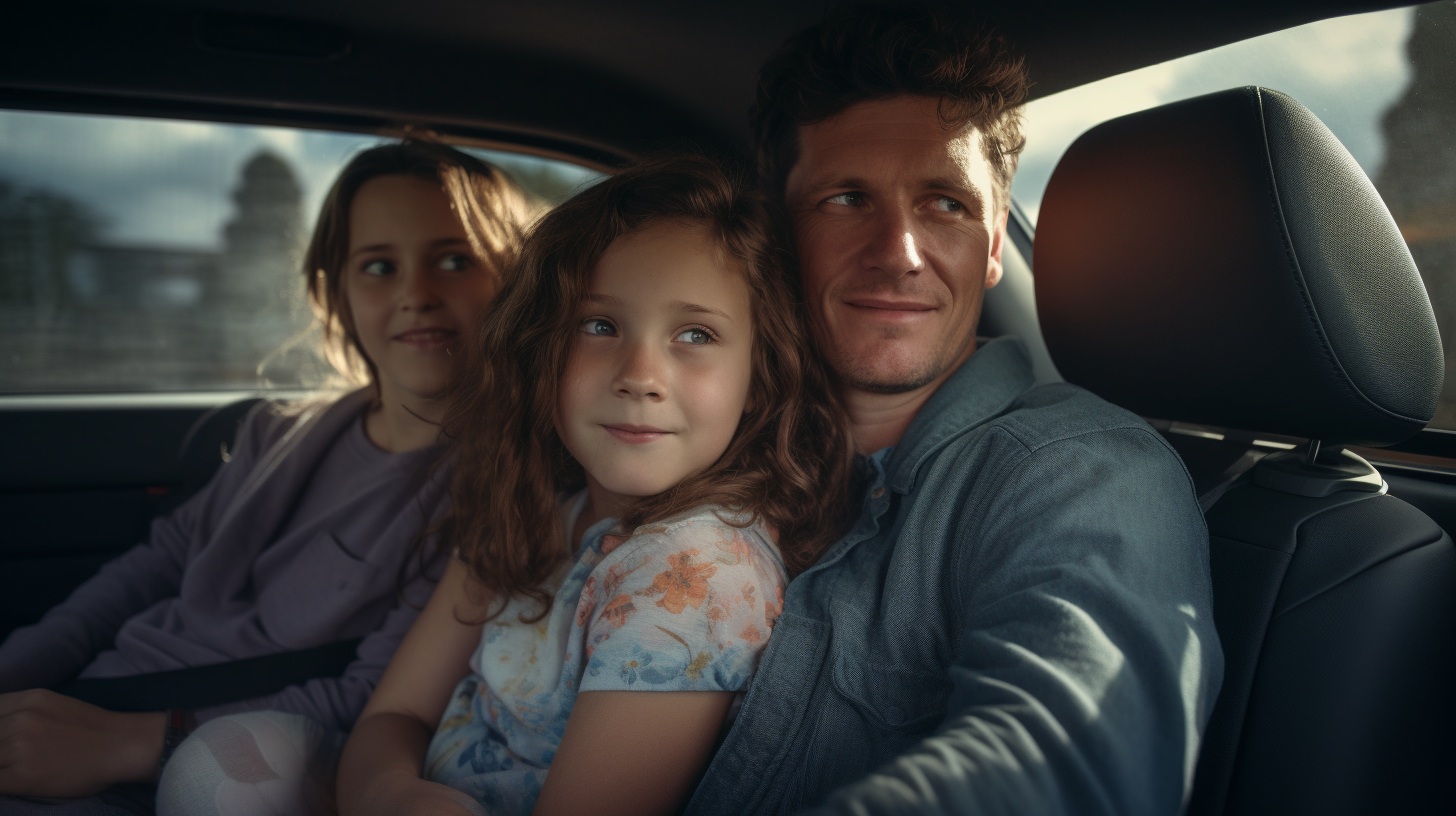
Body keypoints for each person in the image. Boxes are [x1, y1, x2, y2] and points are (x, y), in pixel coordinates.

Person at [681, 7, 1224, 816]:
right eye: (845, 199)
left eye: (944, 203)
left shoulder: (1082, 470)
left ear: (995, 240)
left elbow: (1065, 765)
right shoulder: (692, 441)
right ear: (780, 236)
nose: (898, 251)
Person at [0, 140, 536, 815]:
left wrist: (135, 742)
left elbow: (371, 696)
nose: (416, 295)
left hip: (214, 762)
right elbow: (154, 565)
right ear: (334, 292)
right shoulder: (280, 433)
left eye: (455, 261)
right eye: (377, 266)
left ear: (516, 280)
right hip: (97, 701)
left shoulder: (497, 490)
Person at [334, 154, 856, 816]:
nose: (640, 375)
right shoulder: (541, 512)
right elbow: (397, 713)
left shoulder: (695, 575)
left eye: (695, 334)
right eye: (600, 325)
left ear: (758, 381)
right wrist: (391, 793)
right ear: (541, 349)